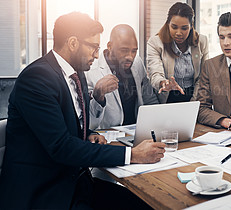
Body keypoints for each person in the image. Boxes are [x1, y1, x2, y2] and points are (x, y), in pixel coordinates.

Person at [0, 12, 165, 209]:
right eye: (94, 47)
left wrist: (88, 134)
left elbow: (70, 123)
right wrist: (133, 155)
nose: (97, 54)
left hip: (76, 182)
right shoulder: (36, 79)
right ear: (72, 43)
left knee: (145, 203)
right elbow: (62, 147)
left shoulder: (75, 73)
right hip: (46, 191)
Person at [86, 24, 159, 130]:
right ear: (110, 46)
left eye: (134, 51)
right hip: (109, 136)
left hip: (137, 131)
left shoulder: (137, 62)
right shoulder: (91, 72)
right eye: (124, 50)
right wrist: (98, 95)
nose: (130, 56)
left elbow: (149, 99)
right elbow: (89, 121)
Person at [147, 2, 209, 103]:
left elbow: (203, 77)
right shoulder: (155, 42)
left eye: (184, 28)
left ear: (191, 26)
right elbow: (155, 73)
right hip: (167, 96)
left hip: (194, 95)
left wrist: (193, 102)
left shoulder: (202, 42)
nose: (179, 33)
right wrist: (163, 83)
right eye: (174, 27)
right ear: (168, 24)